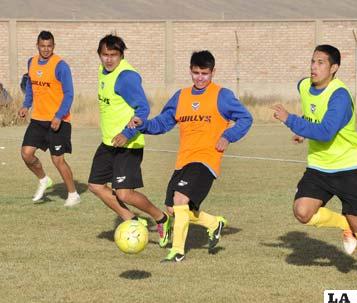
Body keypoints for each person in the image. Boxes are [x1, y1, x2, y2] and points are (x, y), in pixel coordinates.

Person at [272, 44, 357, 282]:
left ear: (334, 68)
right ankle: (343, 225)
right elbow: (313, 113)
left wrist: (291, 120)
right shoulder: (304, 85)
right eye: (312, 61)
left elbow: (327, 131)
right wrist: (304, 130)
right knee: (302, 212)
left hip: (348, 166)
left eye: (321, 63)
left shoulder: (340, 96)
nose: (314, 67)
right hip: (318, 165)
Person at [127, 50, 253, 262]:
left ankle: (177, 251)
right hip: (183, 159)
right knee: (173, 208)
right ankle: (214, 223)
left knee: (180, 199)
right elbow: (163, 122)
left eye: (205, 73)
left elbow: (246, 118)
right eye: (196, 73)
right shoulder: (181, 96)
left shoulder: (222, 95)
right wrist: (144, 125)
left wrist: (228, 136)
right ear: (190, 71)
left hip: (206, 159)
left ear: (213, 72)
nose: (200, 78)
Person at [87, 34, 170, 248]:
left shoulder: (126, 77)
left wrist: (127, 133)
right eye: (105, 54)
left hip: (128, 144)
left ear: (121, 55)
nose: (108, 59)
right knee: (96, 186)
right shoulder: (102, 71)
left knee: (124, 193)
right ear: (99, 55)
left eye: (113, 55)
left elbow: (143, 109)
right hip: (109, 143)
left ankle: (161, 218)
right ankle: (131, 220)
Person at [18, 31, 81, 206]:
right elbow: (31, 87)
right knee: (26, 154)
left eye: (49, 46)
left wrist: (59, 116)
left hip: (58, 120)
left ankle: (73, 194)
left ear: (54, 46)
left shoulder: (61, 66)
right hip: (38, 119)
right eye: (42, 46)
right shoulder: (31, 62)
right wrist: (26, 105)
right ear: (37, 45)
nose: (46, 49)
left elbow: (69, 94)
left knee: (57, 159)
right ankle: (44, 179)